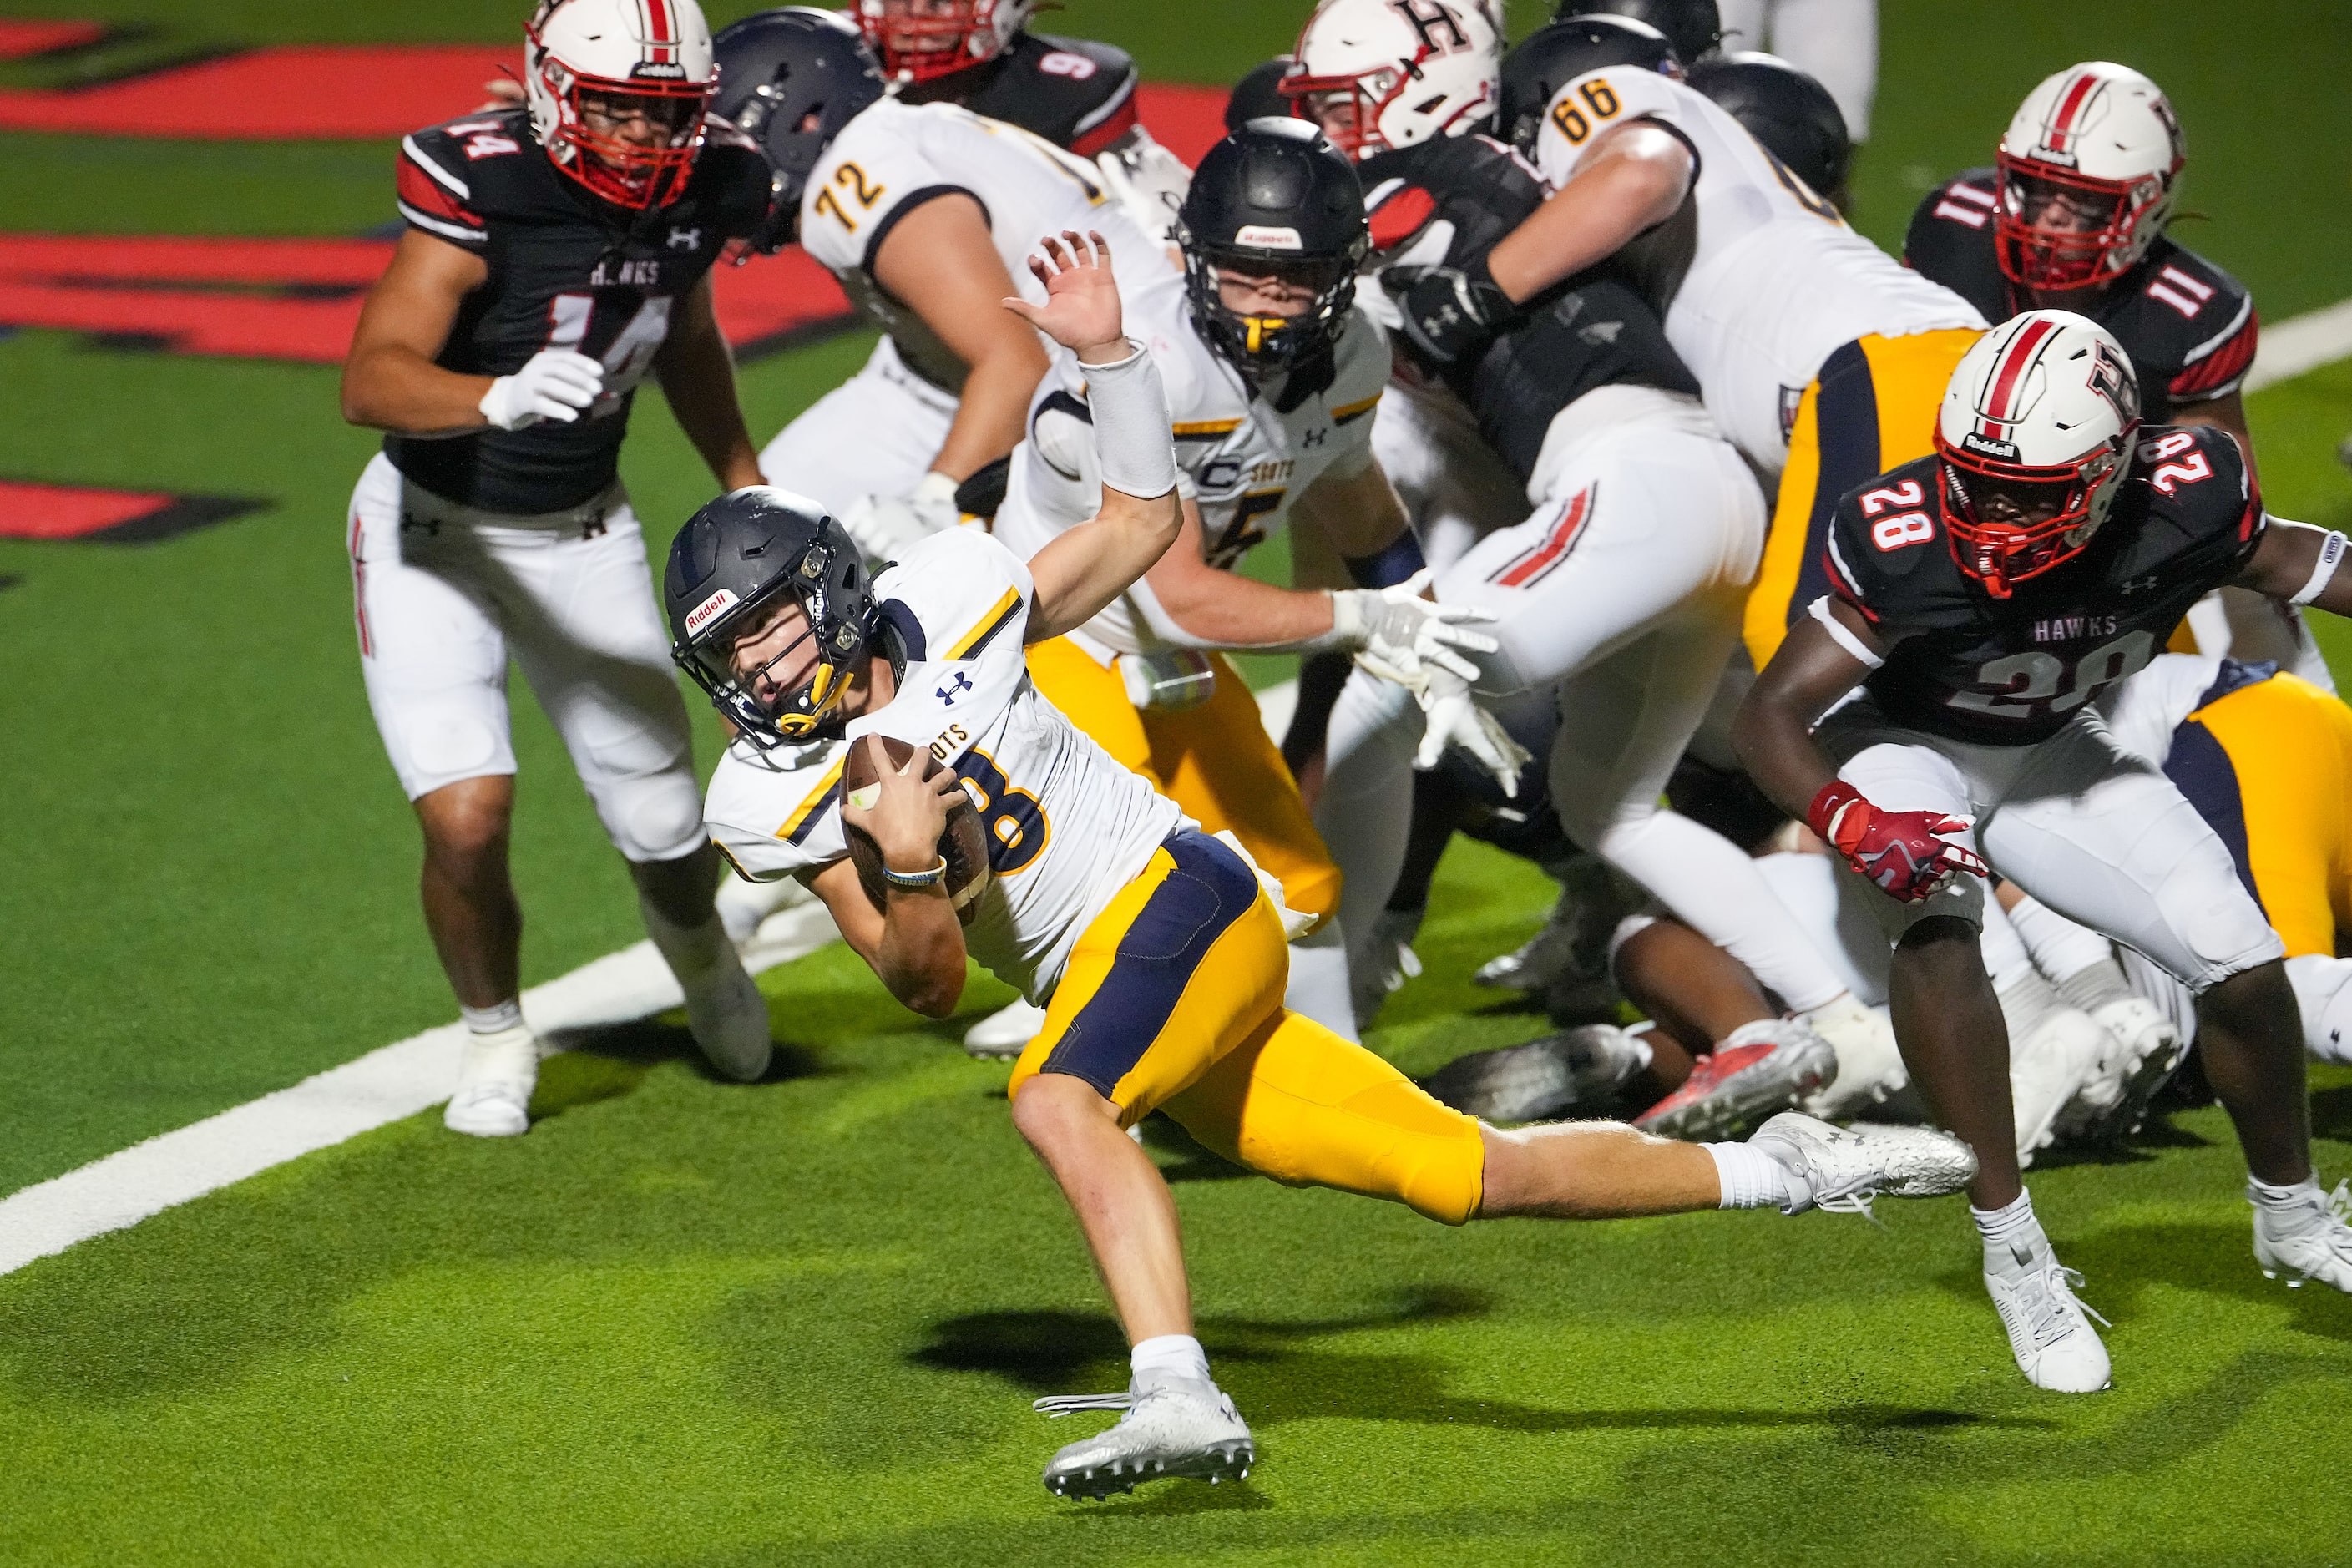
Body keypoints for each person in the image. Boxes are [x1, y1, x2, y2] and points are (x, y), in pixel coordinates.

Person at [669, 231, 1977, 1497]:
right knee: (1472, 1175)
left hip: (1181, 895)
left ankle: (1177, 1385)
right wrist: (905, 875)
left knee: (1056, 1100)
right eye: (737, 660)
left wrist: (1113, 361)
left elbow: (1134, 530)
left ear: (837, 593)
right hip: (1108, 972)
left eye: (777, 636)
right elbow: (929, 985)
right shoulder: (764, 789)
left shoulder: (954, 590)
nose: (766, 677)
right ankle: (1792, 1169)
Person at [1282, 0, 1901, 1131]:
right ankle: (1830, 1023)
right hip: (1695, 500)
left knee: (1390, 678)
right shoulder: (1496, 181)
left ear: (1428, 84)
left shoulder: (1424, 185)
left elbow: (1357, 330)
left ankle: (1314, 1033)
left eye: (1344, 101)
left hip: (1637, 482)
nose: (1334, 126)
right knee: (1606, 800)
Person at [1732, 310, 2352, 1393]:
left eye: (2028, 492)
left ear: (2115, 469)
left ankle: (2290, 1213)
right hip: (1900, 742)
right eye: (1975, 478)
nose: (1991, 511)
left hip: (2049, 746)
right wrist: (1849, 818)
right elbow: (1773, 712)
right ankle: (2012, 1244)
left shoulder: (2188, 493)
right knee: (1936, 915)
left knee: (2242, 965)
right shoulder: (1903, 531)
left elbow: (2292, 559)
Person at [339, 0, 776, 1136]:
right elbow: (371, 377)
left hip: (585, 529)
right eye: (618, 107)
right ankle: (493, 1034)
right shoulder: (480, 181)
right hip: (431, 533)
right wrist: (492, 396)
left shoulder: (711, 178)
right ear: (546, 88)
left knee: (666, 826)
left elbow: (681, 332)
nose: (640, 138)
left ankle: (704, 960)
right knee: (468, 815)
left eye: (665, 112)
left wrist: (744, 476)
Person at [702, 10, 1186, 1004]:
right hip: (984, 372)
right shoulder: (879, 139)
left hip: (1097, 373)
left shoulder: (852, 179)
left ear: (792, 118)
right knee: (759, 543)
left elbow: (1008, 358)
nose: (716, 169)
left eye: (727, 140)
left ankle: (1055, 887)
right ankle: (814, 816)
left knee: (1010, 602)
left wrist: (932, 497)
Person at [988, 119, 1503, 1044]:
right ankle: (1108, 1073)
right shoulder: (1144, 366)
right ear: (1193, 259)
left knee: (1298, 888)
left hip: (1165, 641)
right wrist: (1369, 621)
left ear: (1343, 271)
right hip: (1054, 641)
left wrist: (1435, 646)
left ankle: (1338, 1089)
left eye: (1297, 276)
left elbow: (1360, 508)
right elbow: (1183, 590)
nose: (1269, 300)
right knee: (1132, 895)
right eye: (1244, 270)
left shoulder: (1351, 357)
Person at [1464, 14, 1985, 675]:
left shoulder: (1618, 104)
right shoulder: (1729, 215)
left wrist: (1470, 293)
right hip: (1898, 370)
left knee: (1797, 658)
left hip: (1886, 371)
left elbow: (1637, 178)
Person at [1904, 61, 2324, 687]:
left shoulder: (2187, 313)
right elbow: (1893, 373)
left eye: (2082, 204)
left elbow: (2223, 493)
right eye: (2035, 190)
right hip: (1963, 481)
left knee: (2245, 589)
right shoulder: (1954, 230)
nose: (2048, 221)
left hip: (2108, 510)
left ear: (2146, 205)